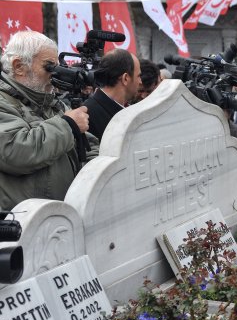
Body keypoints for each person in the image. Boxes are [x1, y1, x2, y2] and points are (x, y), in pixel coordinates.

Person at [0, 31, 90, 209]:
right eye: (49, 67)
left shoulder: (52, 103)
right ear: (18, 66)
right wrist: (68, 125)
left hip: (61, 216)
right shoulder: (4, 102)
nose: (55, 75)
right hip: (24, 222)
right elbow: (14, 152)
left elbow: (88, 145)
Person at [83, 49, 141, 140]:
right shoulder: (86, 117)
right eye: (138, 76)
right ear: (125, 78)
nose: (140, 82)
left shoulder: (125, 111)